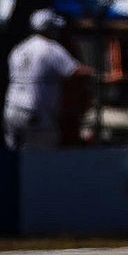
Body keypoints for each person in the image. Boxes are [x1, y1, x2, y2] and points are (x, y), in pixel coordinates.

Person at [3, 9, 93, 150]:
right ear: (49, 29)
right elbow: (74, 71)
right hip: (36, 111)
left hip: (12, 108)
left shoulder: (20, 48)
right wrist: (95, 72)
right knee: (43, 153)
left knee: (14, 154)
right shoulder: (51, 48)